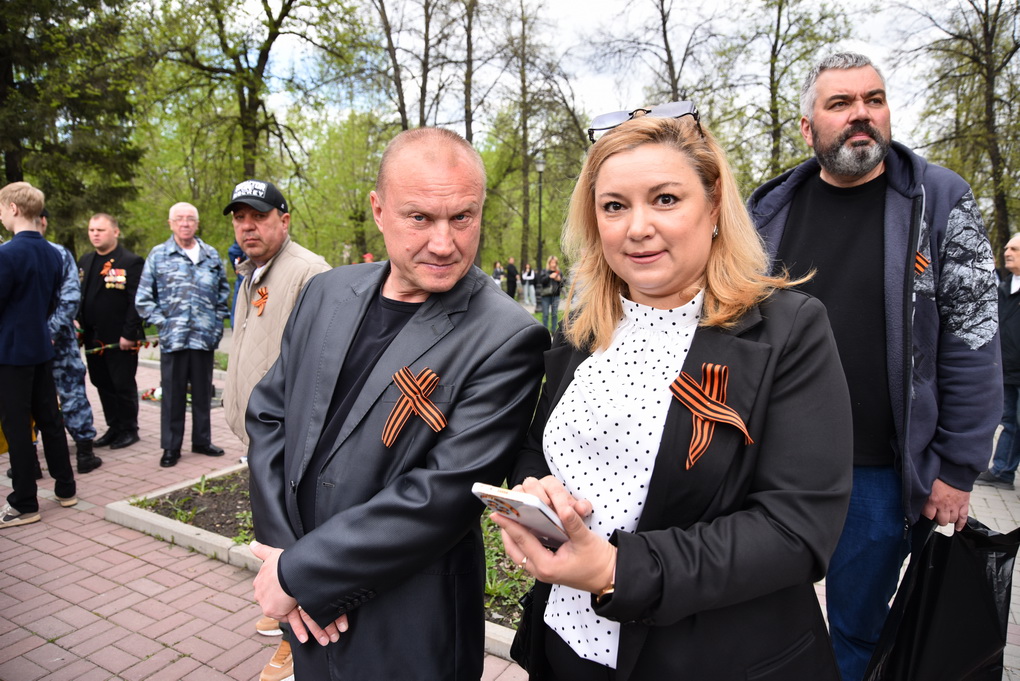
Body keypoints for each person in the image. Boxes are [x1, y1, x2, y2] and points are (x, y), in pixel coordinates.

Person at [493, 110, 852, 680]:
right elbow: (539, 448)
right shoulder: (583, 328)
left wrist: (617, 571)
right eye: (614, 206)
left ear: (713, 206)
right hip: (565, 644)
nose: (637, 227)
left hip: (710, 660)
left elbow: (796, 528)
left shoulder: (787, 331)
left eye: (664, 199)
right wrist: (537, 494)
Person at [246, 127, 550, 680]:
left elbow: (442, 495)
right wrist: (285, 557)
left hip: (409, 623)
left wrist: (300, 574)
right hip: (303, 603)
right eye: (420, 218)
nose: (444, 243)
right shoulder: (326, 292)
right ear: (379, 210)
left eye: (462, 217)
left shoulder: (507, 336)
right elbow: (270, 415)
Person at [747, 52, 1000, 681]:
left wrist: (958, 467)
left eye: (874, 99)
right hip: (772, 465)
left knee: (856, 630)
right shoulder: (768, 210)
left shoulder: (938, 199)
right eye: (840, 103)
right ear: (807, 127)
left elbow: (974, 337)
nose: (861, 114)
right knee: (761, 618)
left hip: (879, 477)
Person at [221, 179, 330, 681]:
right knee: (271, 532)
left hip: (290, 438)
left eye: (259, 216)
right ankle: (283, 608)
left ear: (283, 220)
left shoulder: (307, 273)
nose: (248, 227)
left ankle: (295, 643)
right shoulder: (252, 271)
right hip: (261, 435)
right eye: (240, 218)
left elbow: (321, 365)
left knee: (293, 536)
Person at [0, 182, 77, 527]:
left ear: (14, 208)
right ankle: (66, 487)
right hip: (41, 346)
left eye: (1, 209)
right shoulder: (53, 253)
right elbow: (49, 303)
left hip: (11, 351)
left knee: (17, 426)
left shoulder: (7, 254)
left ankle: (24, 502)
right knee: (49, 418)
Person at [136, 202, 230, 469]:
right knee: (173, 395)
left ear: (197, 224)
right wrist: (163, 324)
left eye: (190, 219)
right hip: (174, 339)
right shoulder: (159, 254)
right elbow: (143, 298)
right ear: (171, 223)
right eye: (179, 219)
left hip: (203, 337)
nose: (185, 223)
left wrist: (216, 325)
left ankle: (202, 440)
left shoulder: (211, 255)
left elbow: (223, 294)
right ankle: (171, 446)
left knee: (203, 393)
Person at [38, 209, 103, 473]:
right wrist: (51, 332)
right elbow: (70, 299)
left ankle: (79, 453)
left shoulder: (10, 253)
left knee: (37, 396)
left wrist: (43, 333)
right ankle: (83, 452)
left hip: (34, 341)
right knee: (69, 393)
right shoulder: (59, 253)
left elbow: (69, 298)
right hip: (56, 340)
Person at [79, 213, 145, 454]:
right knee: (101, 382)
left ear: (115, 232)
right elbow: (81, 296)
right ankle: (114, 426)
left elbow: (136, 301)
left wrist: (129, 333)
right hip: (93, 337)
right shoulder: (86, 261)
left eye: (100, 230)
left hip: (119, 338)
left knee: (122, 384)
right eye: (91, 230)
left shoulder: (130, 261)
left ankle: (129, 429)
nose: (95, 234)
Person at [976, 234, 1020, 490]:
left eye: (1014, 249)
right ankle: (1002, 471)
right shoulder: (1003, 288)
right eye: (1006, 248)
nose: (1007, 252)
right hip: (1007, 367)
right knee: (1010, 420)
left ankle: (1004, 469)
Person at [538, 255, 562, 333]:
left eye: (555, 262)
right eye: (552, 262)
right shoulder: (544, 271)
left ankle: (554, 331)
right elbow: (541, 281)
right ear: (549, 263)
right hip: (546, 296)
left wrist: (559, 280)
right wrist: (549, 276)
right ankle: (545, 331)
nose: (553, 264)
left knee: (554, 314)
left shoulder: (559, 272)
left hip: (556, 295)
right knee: (545, 314)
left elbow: (563, 284)